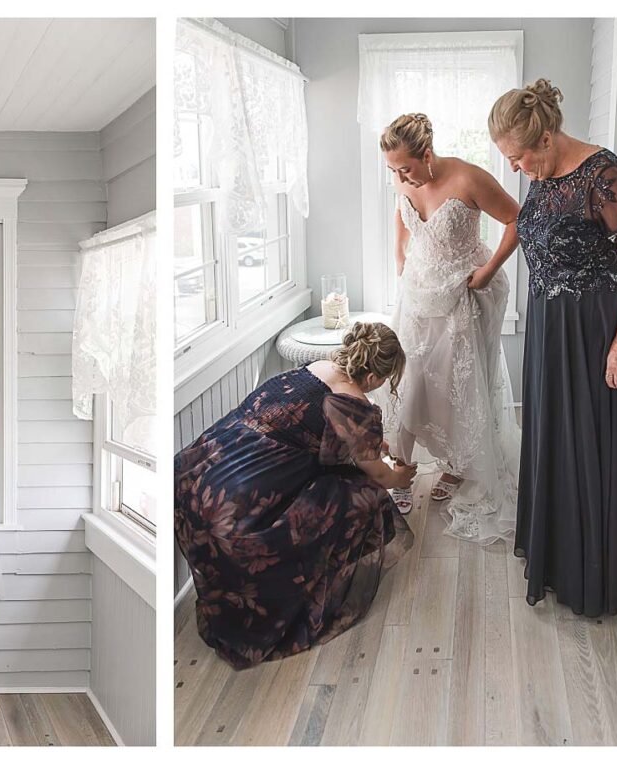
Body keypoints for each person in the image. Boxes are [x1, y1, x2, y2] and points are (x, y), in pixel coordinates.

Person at [489, 78, 617, 615]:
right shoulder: (543, 173)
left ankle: (597, 578)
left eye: (518, 158)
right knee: (555, 443)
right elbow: (533, 228)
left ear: (545, 139)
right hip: (551, 328)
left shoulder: (606, 178)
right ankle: (560, 560)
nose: (515, 169)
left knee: (592, 449)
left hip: (598, 334)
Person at [175, 322, 415, 669]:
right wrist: (402, 475)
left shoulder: (314, 369)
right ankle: (320, 587)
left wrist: (371, 443)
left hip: (195, 478)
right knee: (367, 495)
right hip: (236, 511)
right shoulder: (356, 403)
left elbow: (323, 424)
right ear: (376, 377)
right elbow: (379, 473)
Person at [378, 113, 523, 544]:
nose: (401, 176)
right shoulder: (402, 178)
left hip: (462, 295)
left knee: (453, 387)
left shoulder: (469, 178)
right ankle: (399, 470)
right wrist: (400, 258)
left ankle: (456, 468)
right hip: (417, 295)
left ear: (427, 154)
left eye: (406, 167)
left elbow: (518, 221)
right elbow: (402, 219)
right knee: (405, 380)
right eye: (393, 170)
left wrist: (488, 269)